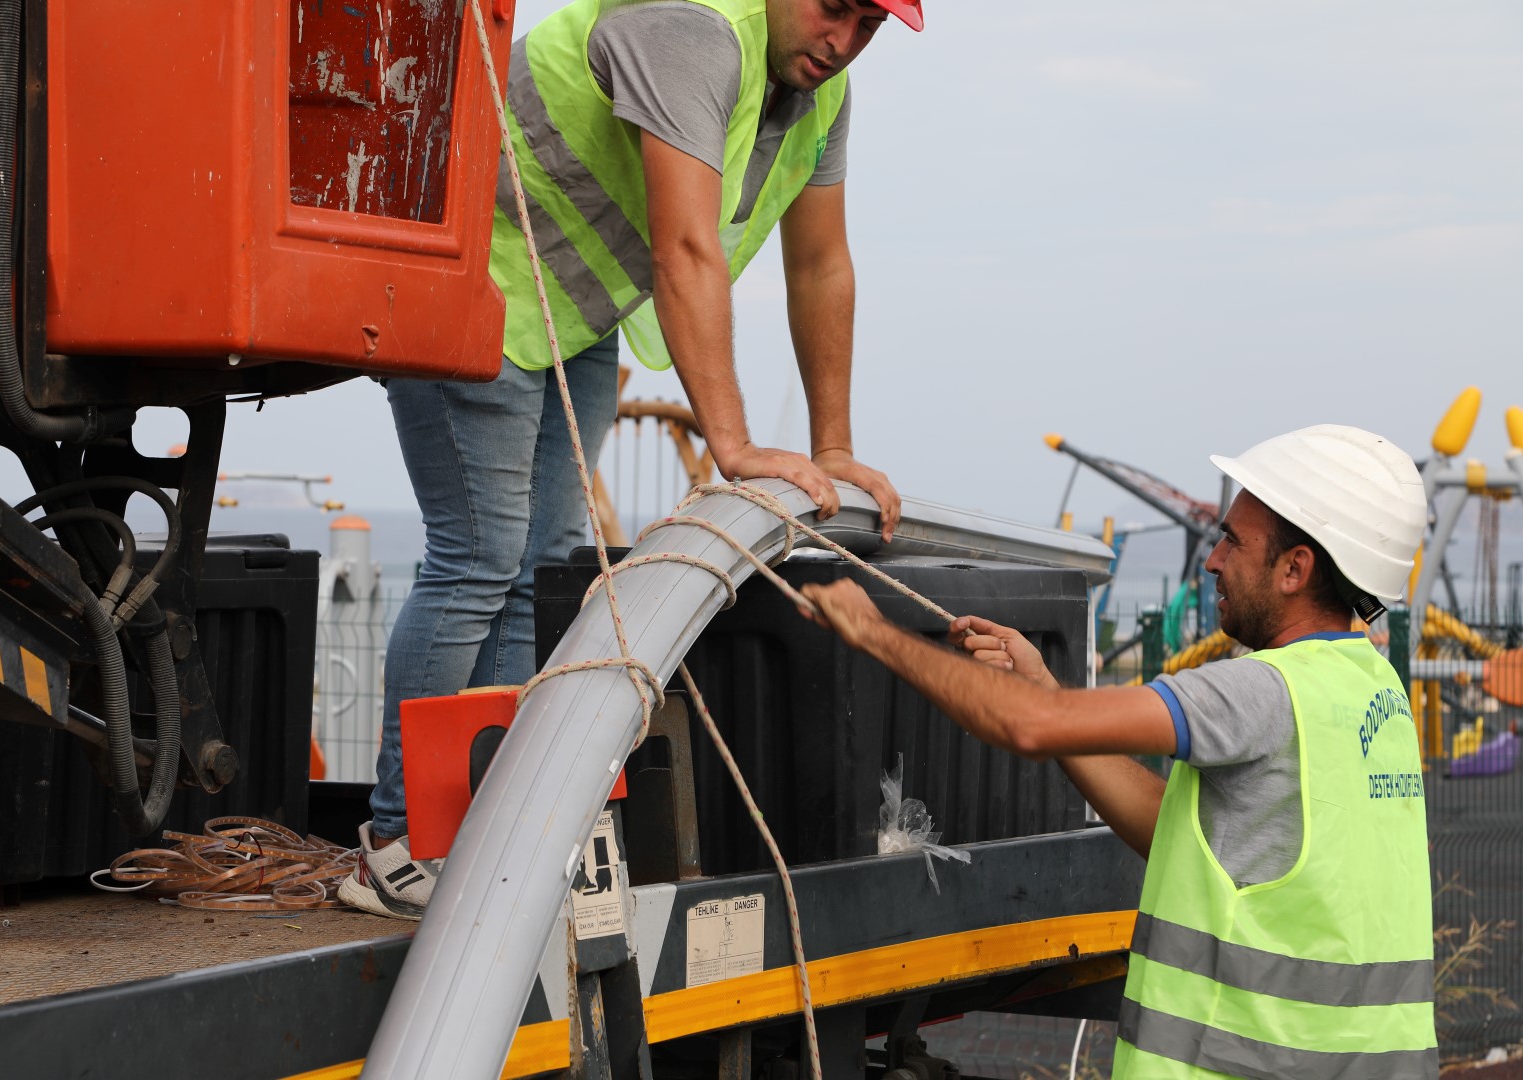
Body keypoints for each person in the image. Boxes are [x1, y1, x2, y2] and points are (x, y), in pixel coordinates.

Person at [341, 0, 919, 920]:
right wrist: (730, 445)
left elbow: (821, 267)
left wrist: (834, 449)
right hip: (474, 271)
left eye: (871, 28)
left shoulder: (822, 93)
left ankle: (481, 826)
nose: (843, 41)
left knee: (545, 569)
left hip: (574, 307)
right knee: (480, 554)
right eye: (834, 9)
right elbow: (687, 250)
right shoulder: (689, 29)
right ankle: (395, 841)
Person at [801, 425, 1439, 1078]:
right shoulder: (1371, 689)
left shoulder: (1264, 691)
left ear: (1295, 569)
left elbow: (1028, 728)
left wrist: (874, 633)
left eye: (1231, 541)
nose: (1213, 560)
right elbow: (1190, 837)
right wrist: (1043, 686)